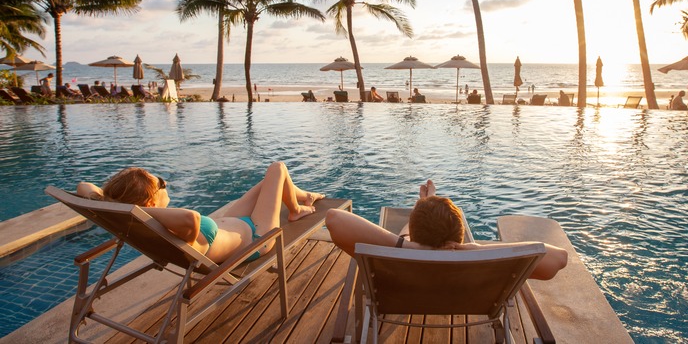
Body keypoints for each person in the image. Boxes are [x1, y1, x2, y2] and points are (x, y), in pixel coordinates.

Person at [76, 162, 323, 264]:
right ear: (149, 203)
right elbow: (192, 218)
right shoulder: (176, 223)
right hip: (256, 238)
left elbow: (84, 186)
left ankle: (303, 197)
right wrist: (136, 209)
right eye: (160, 182)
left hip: (228, 226)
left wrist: (115, 203)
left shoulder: (147, 219)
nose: (166, 184)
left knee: (267, 183)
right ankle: (296, 210)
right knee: (277, 169)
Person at [326, 180, 568, 281]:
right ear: (459, 234)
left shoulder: (403, 252)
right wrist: (475, 249)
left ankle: (425, 204)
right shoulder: (476, 259)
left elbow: (334, 218)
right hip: (468, 297)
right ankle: (428, 203)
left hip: (407, 283)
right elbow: (559, 257)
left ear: (415, 240)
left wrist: (408, 245)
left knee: (403, 236)